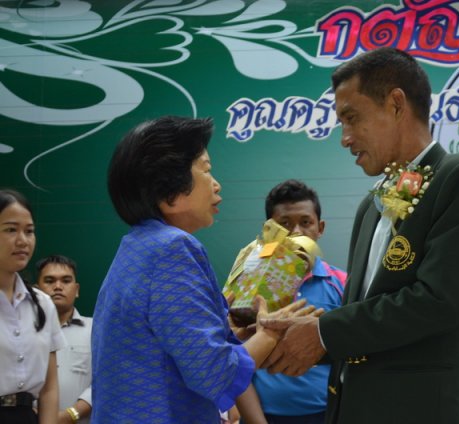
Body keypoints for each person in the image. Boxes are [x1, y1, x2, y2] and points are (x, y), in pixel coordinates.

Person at [260, 47, 459, 423]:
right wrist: (294, 334)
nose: (345, 137)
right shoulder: (372, 205)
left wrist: (323, 333)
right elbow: (366, 320)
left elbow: (440, 301)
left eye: (352, 118)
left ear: (396, 104)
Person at [92, 116, 311, 424]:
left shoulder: (137, 246)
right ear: (170, 193)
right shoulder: (173, 248)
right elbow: (214, 374)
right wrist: (269, 334)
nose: (217, 183)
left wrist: (233, 335)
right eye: (206, 170)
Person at [251, 180, 346, 424]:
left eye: (306, 223)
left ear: (320, 228)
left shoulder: (343, 284)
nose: (296, 233)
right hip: (263, 416)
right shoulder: (248, 288)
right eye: (284, 224)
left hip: (328, 414)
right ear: (268, 230)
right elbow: (234, 361)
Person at [0, 189, 66, 424]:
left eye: (29, 231)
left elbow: (49, 389)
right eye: (10, 230)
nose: (22, 240)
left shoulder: (43, 304)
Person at [36, 255, 92, 424]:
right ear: (36, 290)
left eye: (66, 281)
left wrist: (70, 415)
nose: (58, 287)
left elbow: (106, 381)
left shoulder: (96, 330)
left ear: (77, 290)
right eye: (49, 281)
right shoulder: (22, 332)